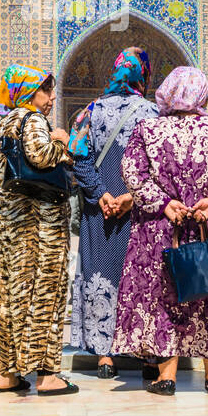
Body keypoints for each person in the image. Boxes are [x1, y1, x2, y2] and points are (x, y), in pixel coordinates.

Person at [112, 66, 208, 396]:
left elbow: (132, 172)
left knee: (165, 297)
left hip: (164, 226)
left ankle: (168, 376)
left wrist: (164, 203)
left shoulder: (148, 129)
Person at [0, 65, 79, 396]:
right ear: (29, 93)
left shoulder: (4, 123)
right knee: (43, 297)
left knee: (10, 298)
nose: (51, 98)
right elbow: (40, 154)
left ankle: (5, 374)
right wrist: (64, 144)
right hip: (39, 230)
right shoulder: (32, 119)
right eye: (46, 91)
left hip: (9, 228)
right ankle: (47, 376)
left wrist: (7, 199)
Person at [67, 47, 160, 379]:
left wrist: (102, 194)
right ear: (143, 76)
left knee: (101, 276)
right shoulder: (153, 113)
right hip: (138, 213)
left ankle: (104, 356)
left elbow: (79, 159)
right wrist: (129, 199)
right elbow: (159, 167)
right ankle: (148, 354)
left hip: (99, 213)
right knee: (144, 279)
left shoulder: (89, 113)